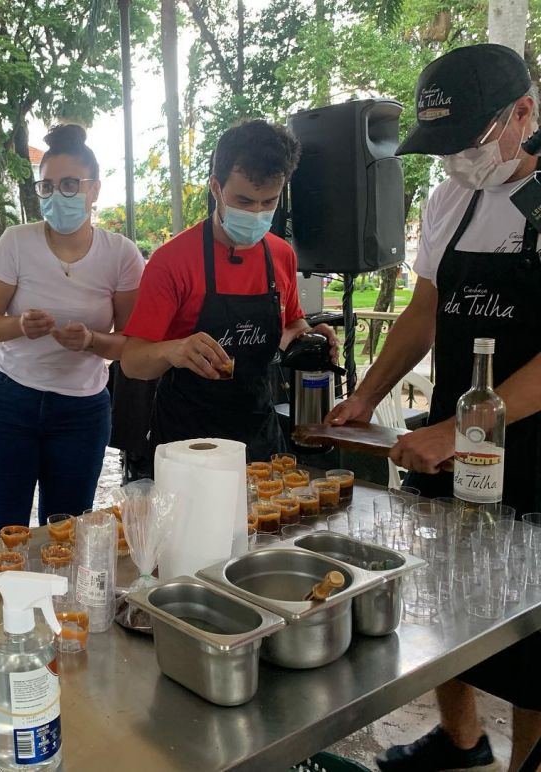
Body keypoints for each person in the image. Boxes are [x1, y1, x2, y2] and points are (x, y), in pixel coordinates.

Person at [328, 44, 541, 772]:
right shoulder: (449, 198)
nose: (455, 162)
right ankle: (461, 741)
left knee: (529, 623)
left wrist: (459, 428)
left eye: (465, 144)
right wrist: (368, 395)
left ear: (524, 114)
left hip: (532, 446)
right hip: (459, 435)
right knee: (450, 592)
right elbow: (426, 311)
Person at [120, 120, 337, 459]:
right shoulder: (172, 261)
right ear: (216, 188)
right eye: (244, 201)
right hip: (187, 440)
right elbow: (132, 361)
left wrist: (309, 338)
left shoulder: (281, 255)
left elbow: (290, 325)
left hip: (258, 435)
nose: (256, 213)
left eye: (269, 202)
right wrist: (172, 350)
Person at [0, 124, 143, 536]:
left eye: (69, 184)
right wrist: (19, 326)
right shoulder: (16, 242)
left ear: (94, 189)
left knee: (66, 536)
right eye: (46, 186)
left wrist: (91, 341)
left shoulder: (120, 254)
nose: (56, 195)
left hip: (81, 413)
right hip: (6, 403)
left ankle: (62, 605)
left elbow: (134, 345)